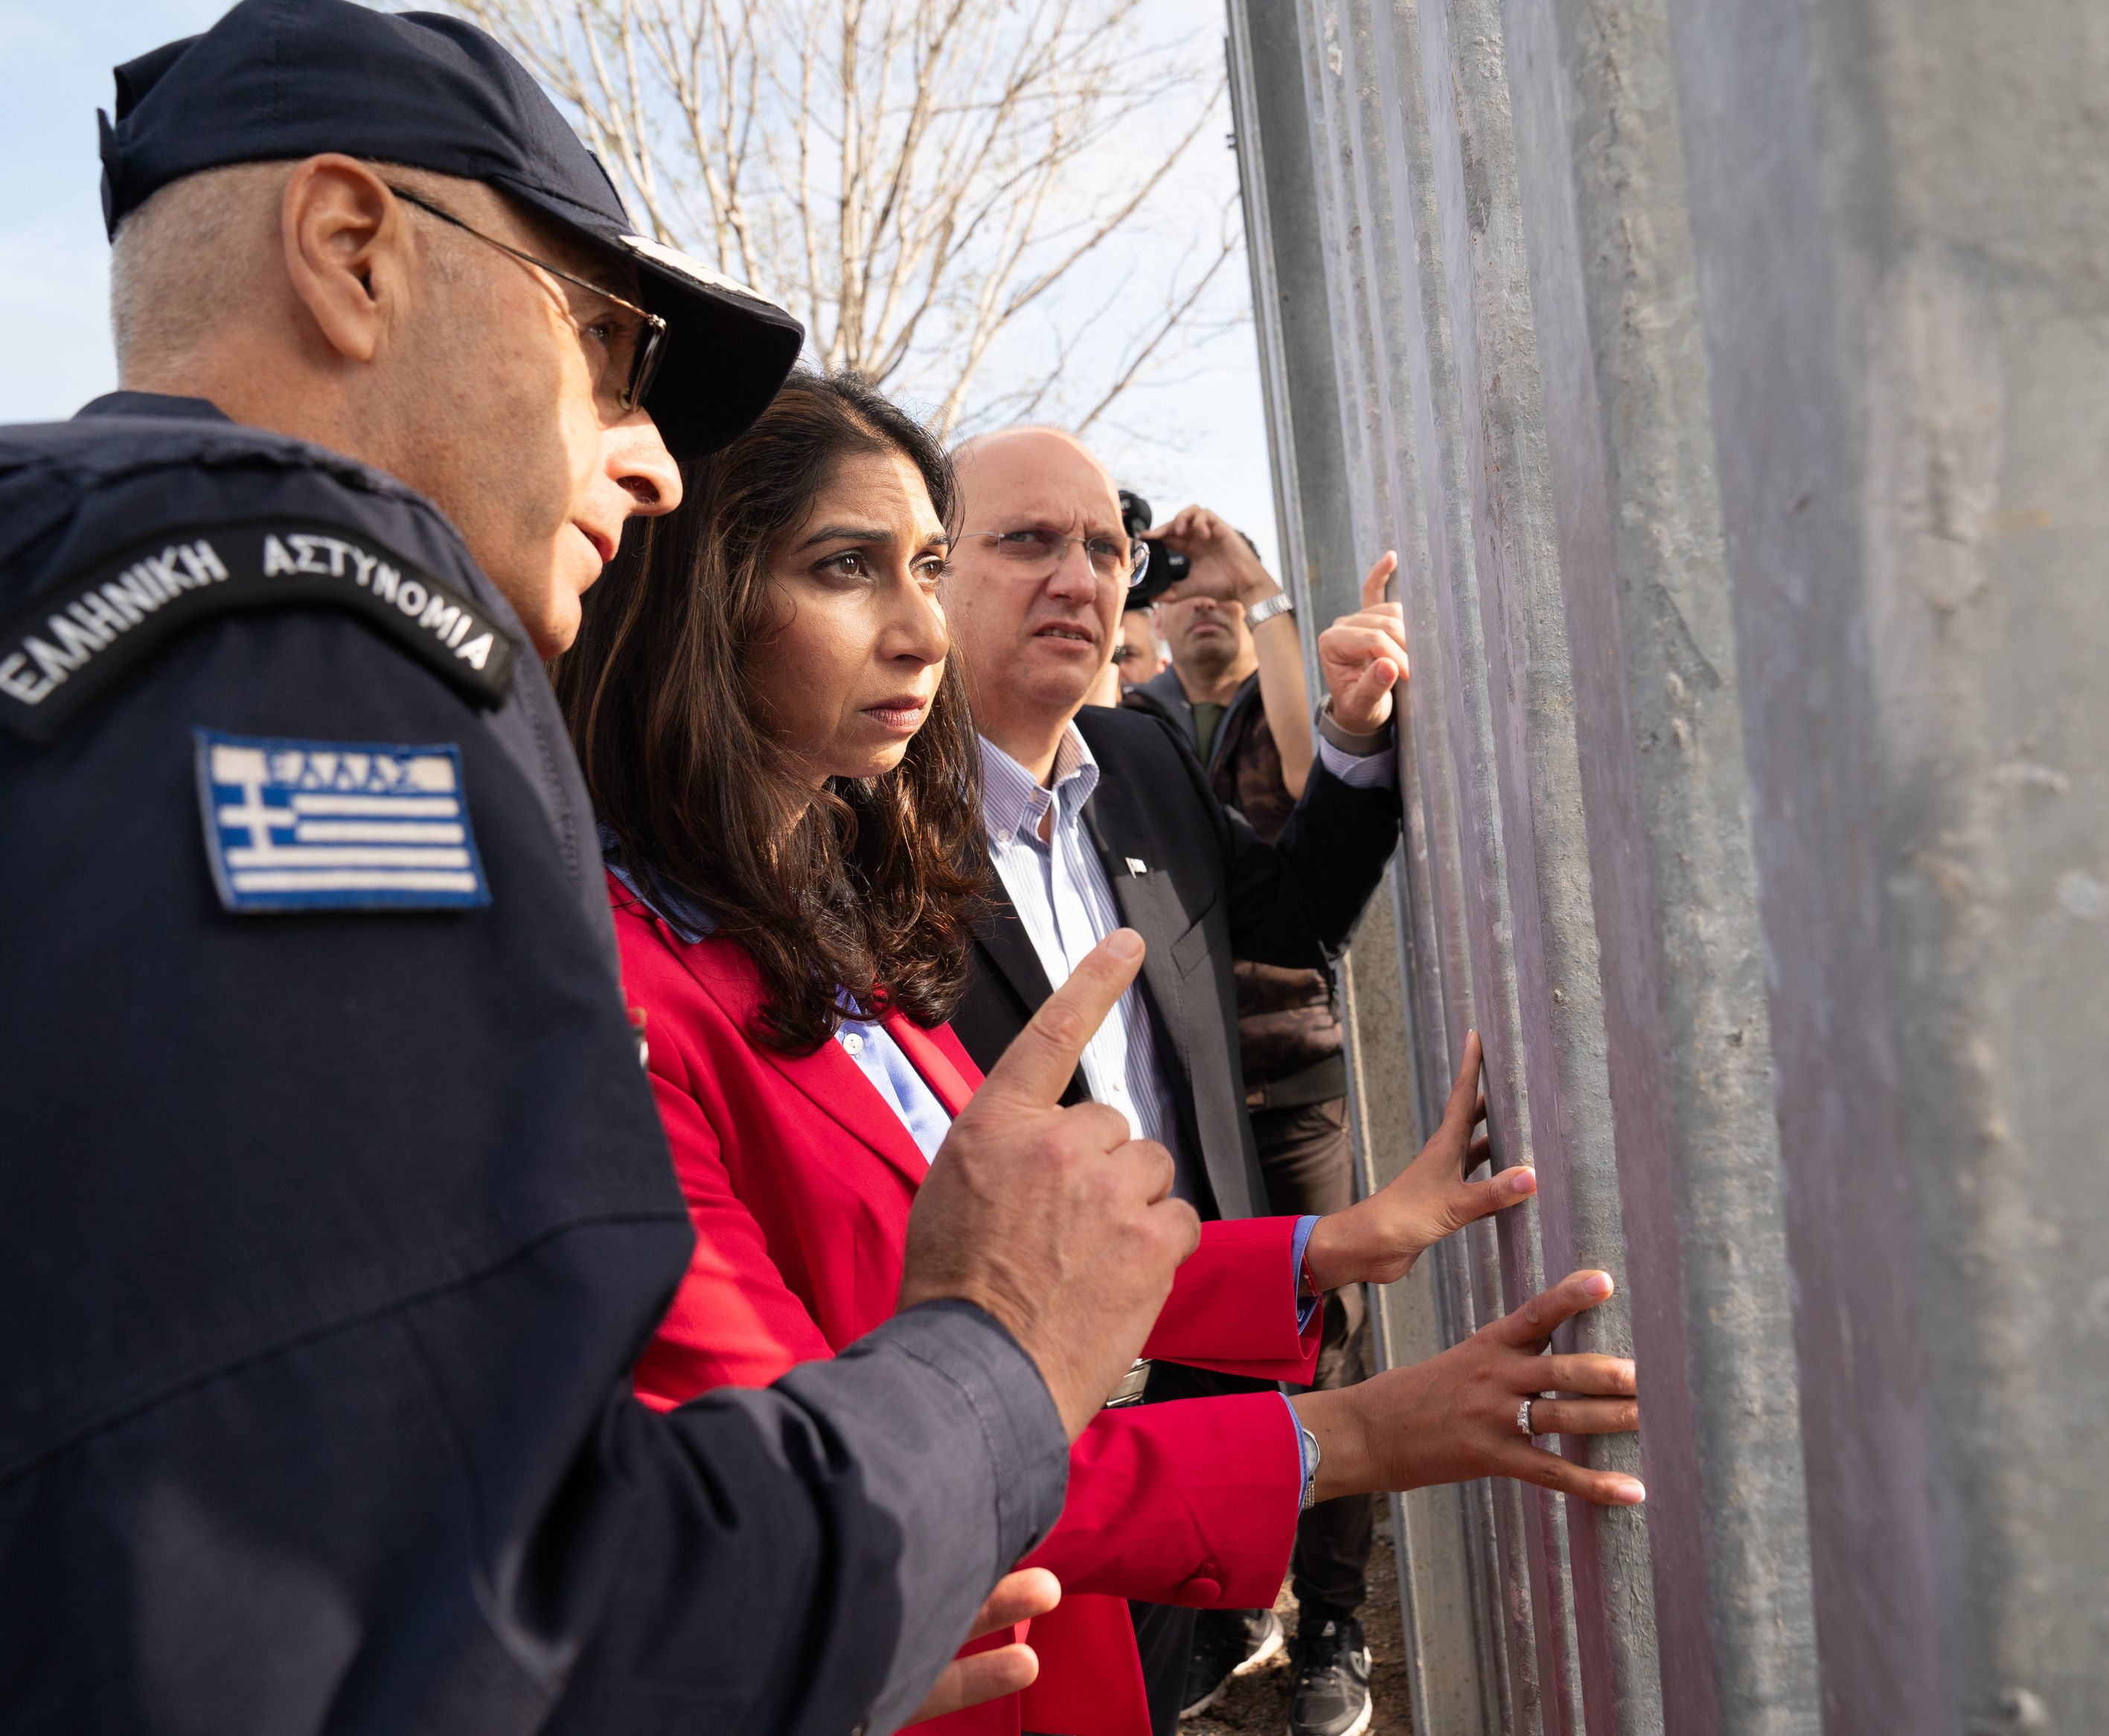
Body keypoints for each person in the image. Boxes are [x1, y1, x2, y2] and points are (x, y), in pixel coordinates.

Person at [0, 7, 1200, 1731]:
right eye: (607, 350)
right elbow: (459, 1614)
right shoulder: (305, 622)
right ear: (353, 255)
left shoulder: (73, 584)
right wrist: (996, 1364)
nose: (646, 462)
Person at [555, 369, 1644, 1736]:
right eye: (850, 567)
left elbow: (1012, 1246)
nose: (917, 628)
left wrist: (1326, 1247)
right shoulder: (613, 998)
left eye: (930, 565)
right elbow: (856, 1469)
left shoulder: (834, 915)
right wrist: (1360, 1434)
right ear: (698, 599)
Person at [936, 428, 1410, 1732]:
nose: (1079, 578)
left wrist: (1360, 739)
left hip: (1207, 1357)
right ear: (934, 573)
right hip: (1029, 1423)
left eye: (1105, 548)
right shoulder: (854, 820)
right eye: (1028, 540)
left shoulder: (1141, 759)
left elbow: (1297, 917)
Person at [1123, 514, 1392, 1734]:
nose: (1198, 606)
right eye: (1174, 590)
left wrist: (1268, 595)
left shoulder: (1244, 716)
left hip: (1286, 1085)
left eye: (1211, 593)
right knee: (1194, 1359)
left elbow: (1307, 809)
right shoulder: (1130, 735)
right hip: (1177, 1105)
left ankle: (1333, 1623)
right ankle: (1229, 1607)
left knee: (1325, 1343)